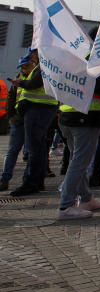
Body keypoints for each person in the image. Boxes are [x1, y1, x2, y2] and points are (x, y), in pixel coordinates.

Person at [57, 30, 100, 220]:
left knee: (77, 160)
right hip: (86, 117)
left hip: (68, 115)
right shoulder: (97, 59)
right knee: (80, 162)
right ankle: (66, 206)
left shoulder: (75, 57)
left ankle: (86, 198)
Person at [10, 49, 59, 197]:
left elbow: (34, 84)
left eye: (32, 53)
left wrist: (20, 82)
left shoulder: (45, 63)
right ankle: (37, 181)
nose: (31, 57)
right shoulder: (50, 63)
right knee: (40, 147)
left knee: (34, 148)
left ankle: (31, 182)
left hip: (38, 109)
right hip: (43, 109)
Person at [1, 56, 31, 191]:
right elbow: (11, 97)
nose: (24, 70)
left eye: (26, 67)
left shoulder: (37, 79)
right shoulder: (18, 78)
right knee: (13, 150)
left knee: (31, 152)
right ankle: (5, 178)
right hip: (18, 120)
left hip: (33, 120)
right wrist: (10, 115)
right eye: (22, 67)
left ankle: (28, 180)